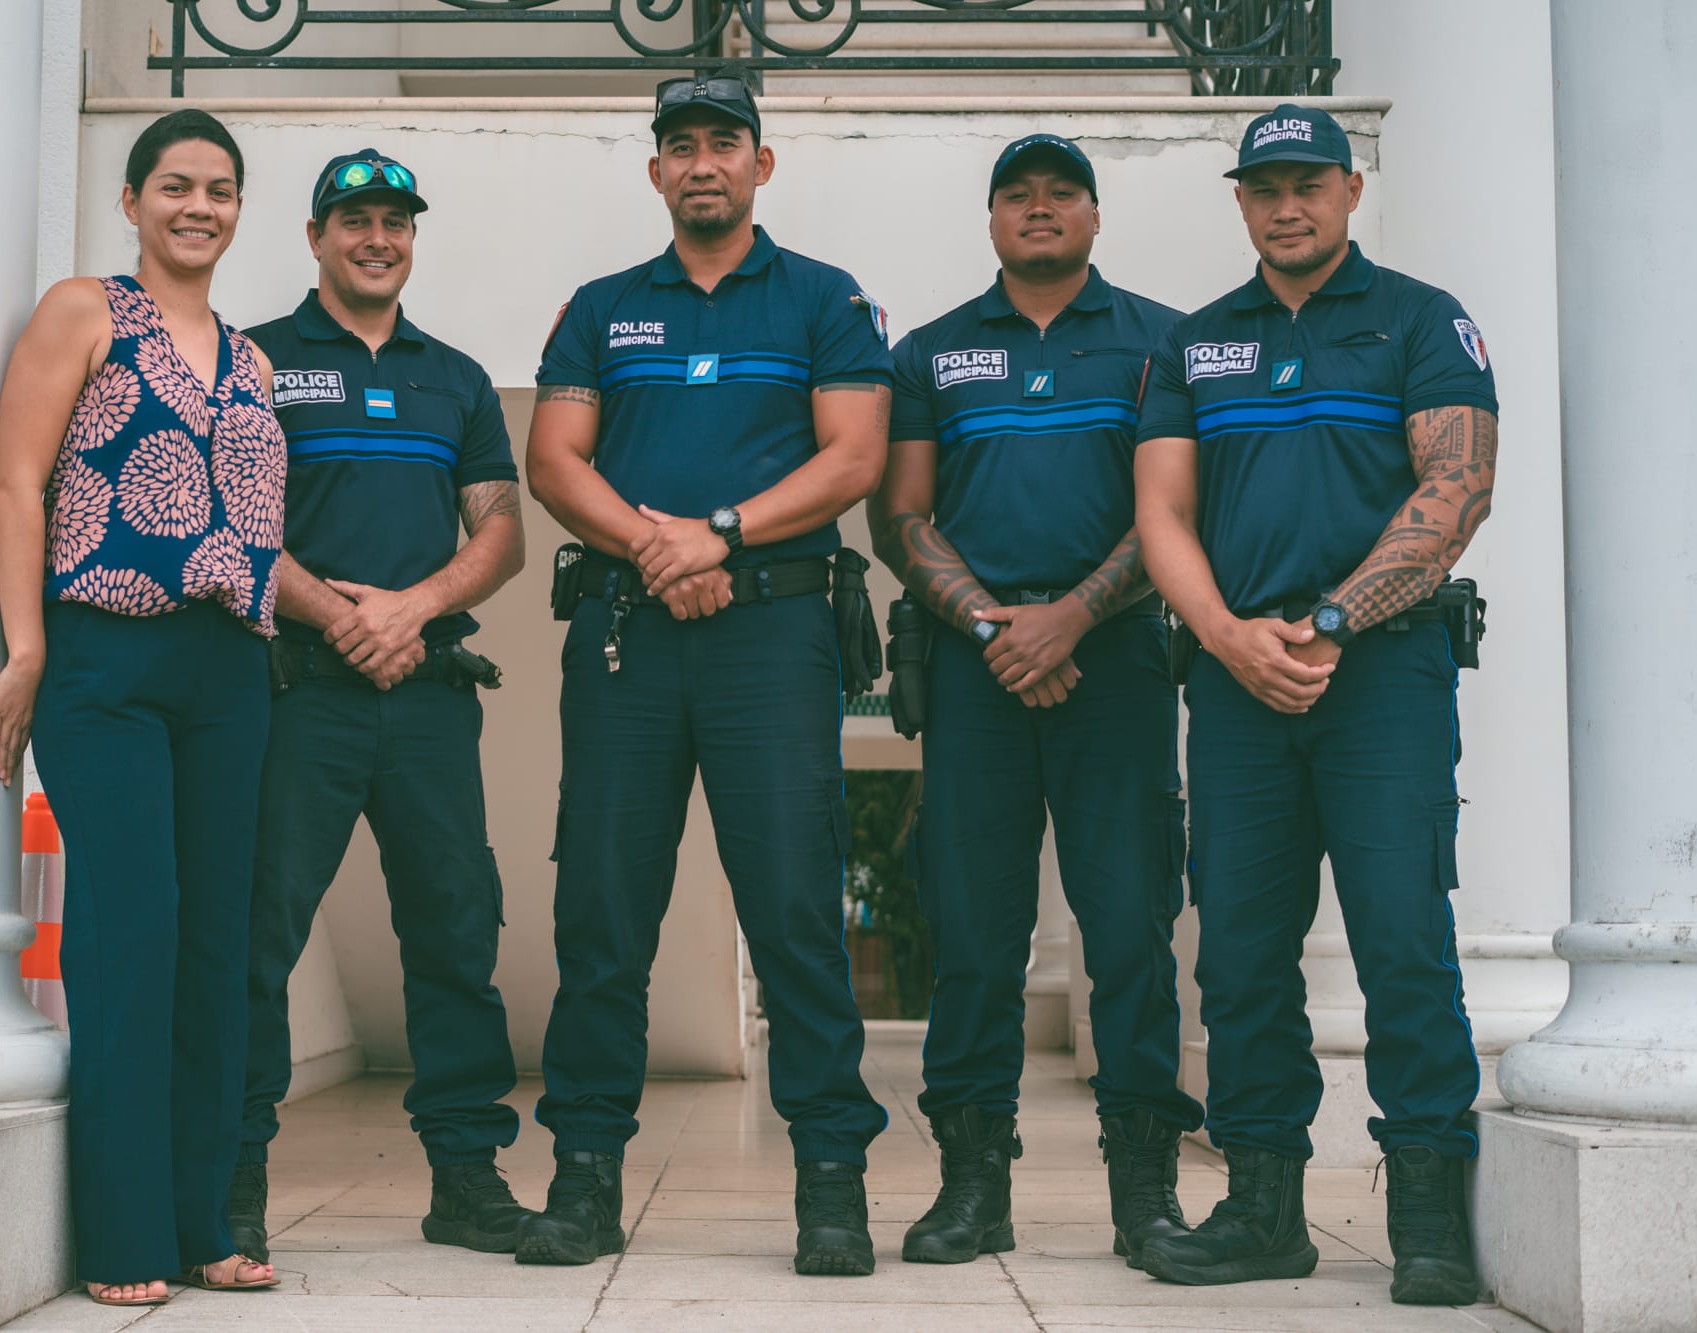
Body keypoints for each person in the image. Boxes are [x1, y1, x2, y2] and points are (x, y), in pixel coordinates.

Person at [520, 71, 892, 1276]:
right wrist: (656, 543)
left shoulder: (825, 300)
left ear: (759, 165)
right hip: (630, 632)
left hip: (772, 638)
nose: (700, 163)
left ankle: (830, 1182)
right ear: (655, 171)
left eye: (721, 143)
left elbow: (852, 459)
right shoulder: (600, 307)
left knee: (793, 908)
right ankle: (582, 1179)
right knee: (604, 914)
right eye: (677, 145)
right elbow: (552, 455)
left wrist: (719, 531)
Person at [1132, 104, 1498, 1304]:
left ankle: (1429, 1219)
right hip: (1236, 683)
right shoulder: (1194, 345)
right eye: (1263, 186)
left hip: (1380, 673)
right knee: (1236, 951)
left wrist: (1335, 619)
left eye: (1307, 182)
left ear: (1348, 190)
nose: (1285, 204)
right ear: (1239, 201)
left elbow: (1457, 488)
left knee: (1401, 938)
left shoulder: (1419, 320)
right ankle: (1260, 1210)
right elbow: (1161, 516)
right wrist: (1229, 636)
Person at [870, 134, 1203, 1268]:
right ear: (992, 222)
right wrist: (990, 627)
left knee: (1129, 930)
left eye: (1062, 193)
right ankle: (971, 1186)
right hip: (974, 668)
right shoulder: (931, 352)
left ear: (1095, 216)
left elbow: (1174, 509)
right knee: (972, 932)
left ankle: (1142, 1195)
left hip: (1113, 665)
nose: (1039, 210)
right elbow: (902, 515)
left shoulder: (1166, 342)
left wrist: (1069, 617)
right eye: (1017, 196)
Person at [0, 109, 284, 1307]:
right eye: (174, 186)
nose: (197, 206)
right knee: (131, 930)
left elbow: (255, 533)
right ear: (131, 201)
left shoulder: (255, 362)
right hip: (105, 659)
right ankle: (120, 1237)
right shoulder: (84, 311)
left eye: (218, 189)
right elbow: (18, 479)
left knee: (216, 940)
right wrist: (25, 646)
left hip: (228, 669)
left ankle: (204, 1224)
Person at [231, 149, 530, 1259]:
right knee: (259, 934)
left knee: (455, 931)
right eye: (352, 219)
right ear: (314, 236)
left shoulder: (453, 375)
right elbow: (226, 518)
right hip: (295, 693)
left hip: (428, 698)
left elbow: (498, 529)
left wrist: (410, 609)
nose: (376, 238)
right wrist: (337, 616)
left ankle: (467, 1178)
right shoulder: (251, 360)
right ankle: (233, 1177)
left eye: (394, 221)